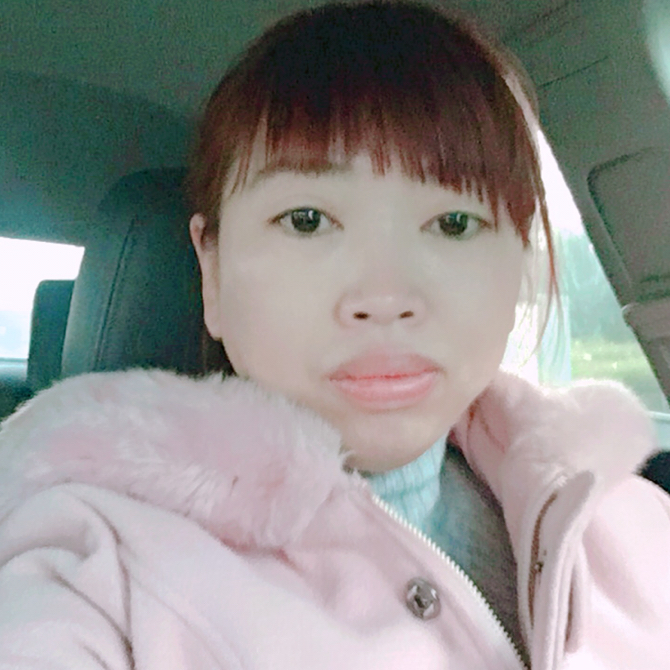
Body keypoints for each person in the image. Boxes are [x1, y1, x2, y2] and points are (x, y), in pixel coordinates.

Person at [0, 2, 668, 668]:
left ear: (518, 262)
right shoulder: (96, 570)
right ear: (212, 270)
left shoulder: (626, 515)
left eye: (454, 223)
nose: (385, 298)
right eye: (308, 220)